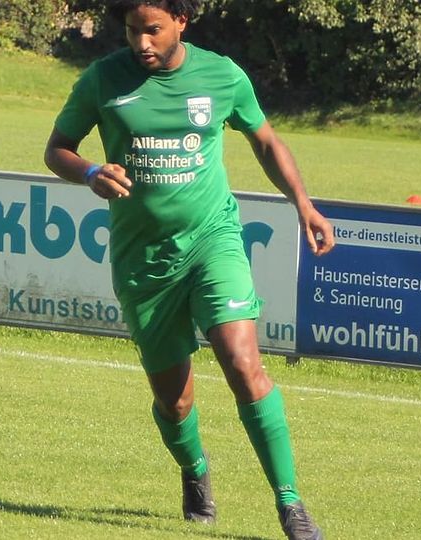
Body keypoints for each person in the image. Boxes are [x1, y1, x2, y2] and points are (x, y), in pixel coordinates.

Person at [43, 1, 335, 538]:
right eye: (132, 31)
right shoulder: (103, 79)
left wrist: (304, 205)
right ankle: (195, 469)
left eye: (153, 30)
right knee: (174, 401)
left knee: (242, 362)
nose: (142, 43)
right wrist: (88, 172)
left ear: (182, 20)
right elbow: (57, 149)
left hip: (212, 240)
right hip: (144, 259)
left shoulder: (221, 75)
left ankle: (291, 504)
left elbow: (266, 140)